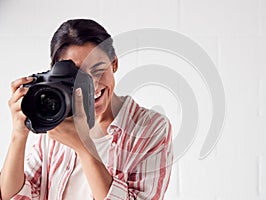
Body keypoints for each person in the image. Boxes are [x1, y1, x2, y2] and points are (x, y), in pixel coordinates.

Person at [0, 19, 173, 200]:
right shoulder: (56, 122)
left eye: (98, 70)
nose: (91, 84)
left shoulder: (150, 128)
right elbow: (15, 196)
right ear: (57, 74)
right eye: (76, 75)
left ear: (114, 63)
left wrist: (84, 148)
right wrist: (18, 136)